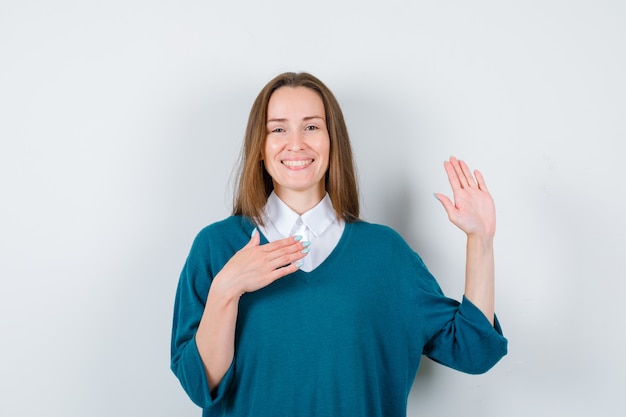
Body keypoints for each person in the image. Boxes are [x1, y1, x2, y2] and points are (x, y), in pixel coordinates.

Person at [170, 72, 507, 416]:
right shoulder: (216, 247)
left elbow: (473, 351)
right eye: (278, 129)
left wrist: (480, 240)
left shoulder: (386, 254)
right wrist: (226, 289)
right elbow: (200, 386)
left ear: (333, 142)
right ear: (259, 146)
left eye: (312, 127)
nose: (296, 142)